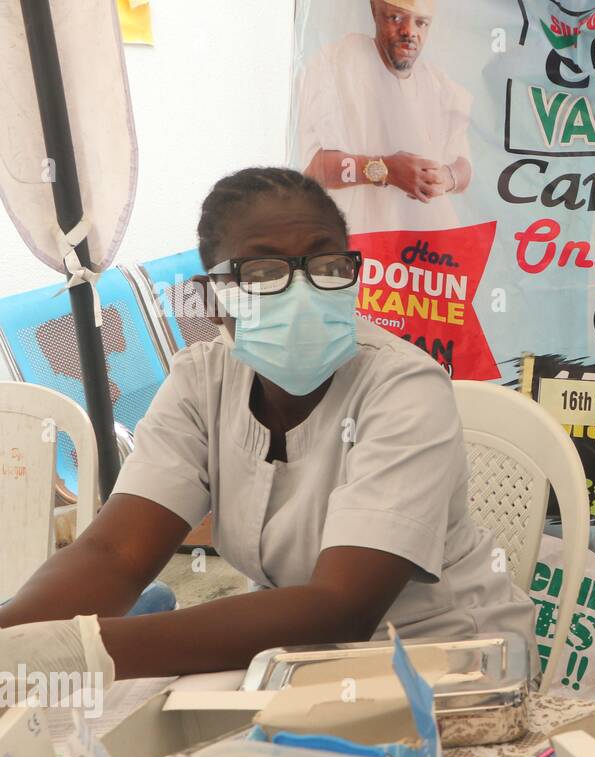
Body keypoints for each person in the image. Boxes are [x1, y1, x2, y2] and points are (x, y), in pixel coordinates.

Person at [0, 167, 534, 685]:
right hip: (295, 661)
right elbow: (113, 555)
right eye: (261, 273)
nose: (301, 293)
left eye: (325, 265)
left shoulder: (402, 387)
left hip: (447, 661)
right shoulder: (201, 383)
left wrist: (80, 652)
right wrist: (14, 638)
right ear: (211, 299)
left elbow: (340, 609)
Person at [296, 0, 473, 234]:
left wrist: (446, 178)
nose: (410, 32)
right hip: (359, 249)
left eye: (421, 23)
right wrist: (384, 169)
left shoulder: (438, 84)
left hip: (429, 254)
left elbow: (463, 166)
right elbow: (313, 168)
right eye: (396, 18)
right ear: (375, 12)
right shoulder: (339, 63)